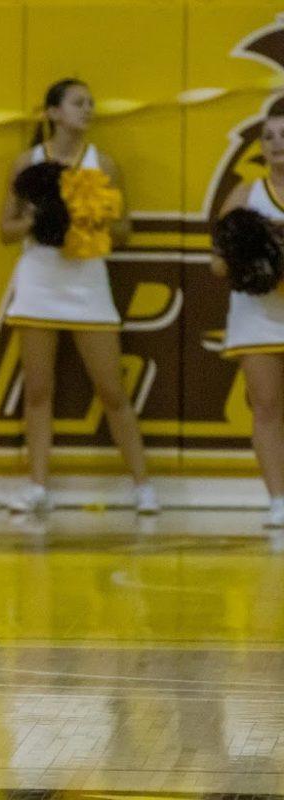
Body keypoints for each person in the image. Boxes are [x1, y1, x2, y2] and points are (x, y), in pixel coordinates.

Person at [0, 78, 158, 514]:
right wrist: (39, 218)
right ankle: (37, 487)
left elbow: (125, 230)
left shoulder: (103, 164)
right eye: (77, 103)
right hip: (37, 284)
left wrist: (92, 217)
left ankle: (143, 486)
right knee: (38, 390)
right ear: (52, 113)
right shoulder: (26, 163)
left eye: (90, 103)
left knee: (112, 390)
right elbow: (4, 231)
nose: (86, 110)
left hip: (87, 282)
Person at [212, 97, 284, 527]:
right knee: (267, 406)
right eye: (269, 137)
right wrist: (254, 261)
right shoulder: (245, 193)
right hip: (257, 315)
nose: (277, 144)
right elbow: (217, 263)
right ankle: (278, 500)